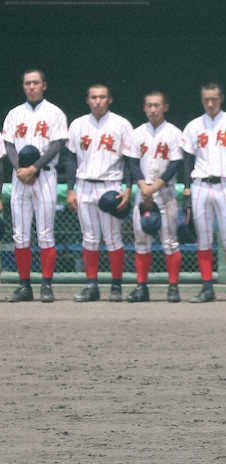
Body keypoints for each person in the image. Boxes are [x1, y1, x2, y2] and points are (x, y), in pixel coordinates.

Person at [3, 68, 67, 303]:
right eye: (28, 83)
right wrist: (20, 168)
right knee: (20, 235)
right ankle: (24, 286)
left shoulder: (54, 113)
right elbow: (9, 144)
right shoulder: (14, 114)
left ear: (44, 85)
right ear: (23, 86)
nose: (31, 86)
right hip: (19, 177)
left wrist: (34, 168)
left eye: (35, 82)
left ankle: (46, 285)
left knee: (45, 234)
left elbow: (57, 144)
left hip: (45, 176)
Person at [65, 83, 132, 302]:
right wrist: (69, 189)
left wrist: (129, 189)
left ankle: (116, 286)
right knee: (90, 238)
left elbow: (130, 160)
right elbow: (71, 157)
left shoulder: (121, 124)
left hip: (110, 185)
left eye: (102, 97)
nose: (98, 101)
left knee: (113, 238)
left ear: (110, 99)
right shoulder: (77, 124)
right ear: (87, 100)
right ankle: (92, 286)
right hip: (84, 184)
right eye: (93, 97)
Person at [181, 82, 226, 303]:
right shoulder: (193, 126)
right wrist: (187, 191)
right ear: (202, 100)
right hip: (200, 183)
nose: (210, 103)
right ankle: (207, 287)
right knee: (204, 239)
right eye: (206, 99)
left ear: (221, 99)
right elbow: (187, 159)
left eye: (214, 99)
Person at [123, 90, 184, 302]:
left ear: (165, 107)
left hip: (164, 191)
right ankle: (141, 287)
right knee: (141, 241)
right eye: (149, 105)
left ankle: (173, 287)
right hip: (143, 191)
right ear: (144, 108)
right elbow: (131, 162)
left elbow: (176, 163)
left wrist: (155, 186)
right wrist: (143, 186)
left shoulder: (174, 133)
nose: (153, 109)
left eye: (157, 105)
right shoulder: (136, 133)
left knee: (170, 242)